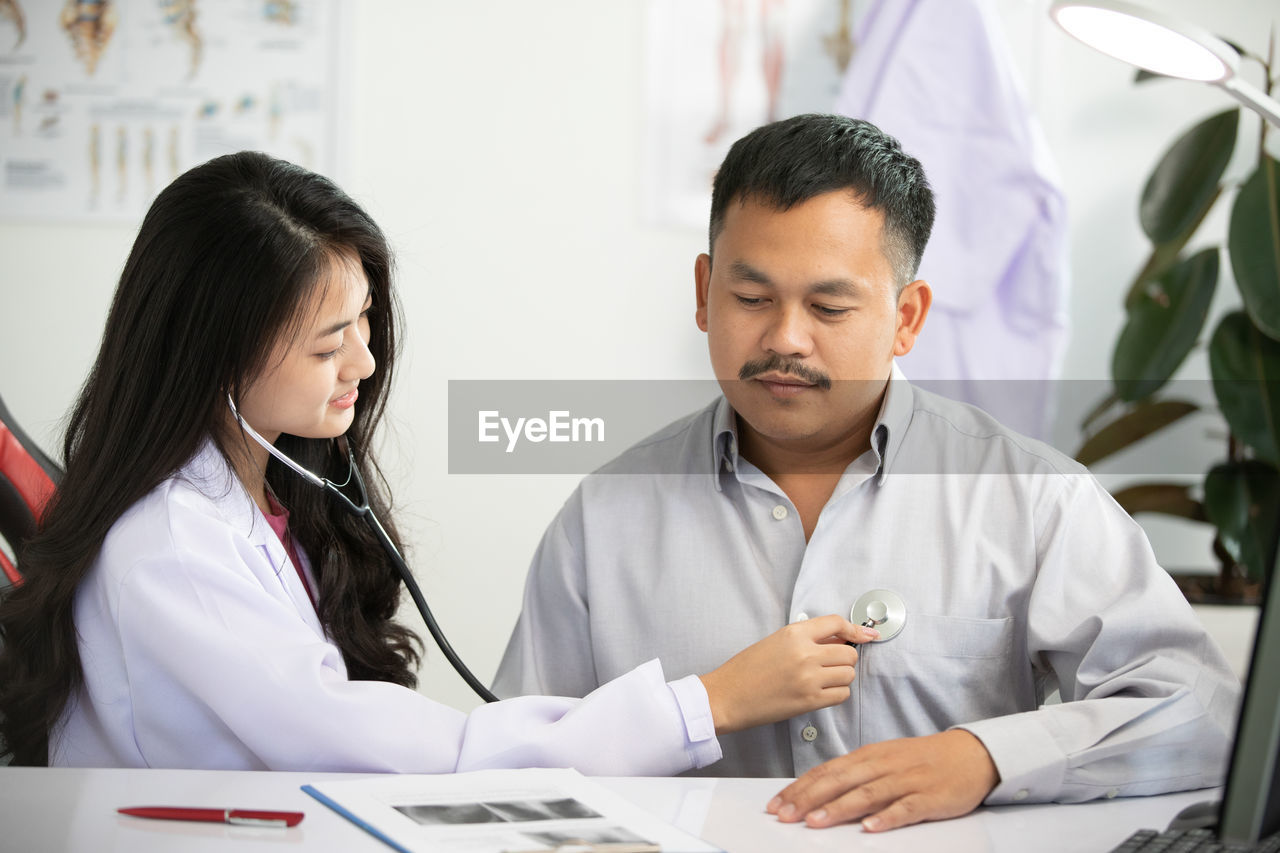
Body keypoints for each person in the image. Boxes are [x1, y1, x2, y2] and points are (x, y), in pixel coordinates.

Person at [0, 150, 877, 771]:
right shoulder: (174, 545)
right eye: (327, 345)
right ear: (215, 355)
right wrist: (708, 703)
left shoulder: (260, 500)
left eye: (366, 328)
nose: (366, 365)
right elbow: (377, 745)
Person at [493, 114, 1240, 831]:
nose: (785, 338)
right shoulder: (606, 515)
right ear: (702, 292)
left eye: (829, 306)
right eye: (751, 298)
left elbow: (1199, 708)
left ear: (907, 318)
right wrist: (704, 703)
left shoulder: (1029, 497)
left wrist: (983, 756)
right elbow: (514, 762)